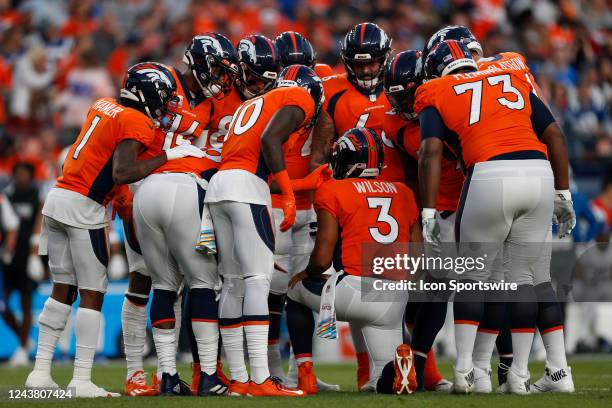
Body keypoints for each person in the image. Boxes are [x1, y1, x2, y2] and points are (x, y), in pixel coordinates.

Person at [25, 62, 204, 397]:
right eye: (162, 97)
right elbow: (122, 172)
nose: (165, 104)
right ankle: (80, 380)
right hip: (84, 205)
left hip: (58, 196)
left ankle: (40, 372)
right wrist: (168, 154)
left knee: (62, 289)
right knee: (93, 292)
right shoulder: (136, 120)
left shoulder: (102, 105)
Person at [415, 39, 576, 394]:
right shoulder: (511, 75)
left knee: (473, 278)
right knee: (525, 279)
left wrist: (427, 211)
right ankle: (518, 375)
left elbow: (430, 151)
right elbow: (555, 135)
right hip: (538, 172)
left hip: (489, 173)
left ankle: (465, 372)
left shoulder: (435, 89)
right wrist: (563, 193)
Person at [120, 33, 239, 397]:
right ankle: (204, 374)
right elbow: (127, 122)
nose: (220, 78)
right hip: (169, 186)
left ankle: (167, 376)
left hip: (148, 195)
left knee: (161, 285)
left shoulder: (207, 104)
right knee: (202, 283)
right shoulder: (162, 79)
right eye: (217, 69)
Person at [205, 64, 326, 397]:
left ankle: (240, 378)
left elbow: (254, 159)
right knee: (258, 280)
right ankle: (260, 379)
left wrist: (295, 184)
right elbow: (271, 141)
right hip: (246, 190)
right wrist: (290, 195)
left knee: (231, 283)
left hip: (220, 187)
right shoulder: (299, 96)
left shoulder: (250, 104)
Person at [287, 127, 419, 394]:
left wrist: (306, 273)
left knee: (294, 292)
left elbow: (323, 259)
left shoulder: (334, 190)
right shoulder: (403, 192)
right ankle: (391, 371)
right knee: (384, 377)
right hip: (394, 296)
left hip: (355, 290)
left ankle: (301, 374)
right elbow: (417, 256)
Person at [267, 30, 340, 392]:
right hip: (276, 201)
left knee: (298, 290)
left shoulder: (320, 89)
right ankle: (271, 372)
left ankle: (300, 372)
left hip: (304, 204)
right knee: (270, 293)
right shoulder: (267, 95)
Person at [383, 50, 458, 392]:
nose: (406, 103)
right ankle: (417, 362)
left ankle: (427, 361)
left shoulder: (448, 103)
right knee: (425, 289)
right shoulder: (394, 125)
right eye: (398, 96)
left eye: (410, 94)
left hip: (467, 203)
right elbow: (410, 173)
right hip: (428, 210)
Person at [3, 162, 42, 367]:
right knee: (3, 304)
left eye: (24, 173)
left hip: (28, 256)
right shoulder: (8, 196)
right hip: (8, 257)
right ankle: (24, 340)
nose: (21, 177)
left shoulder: (37, 197)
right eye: (17, 173)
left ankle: (21, 348)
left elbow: (39, 225)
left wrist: (35, 257)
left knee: (26, 303)